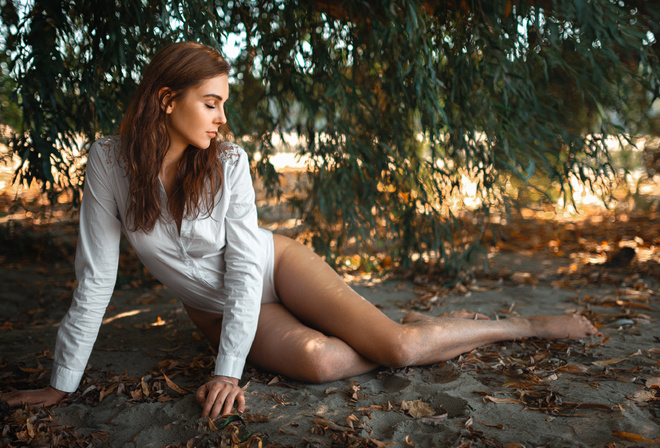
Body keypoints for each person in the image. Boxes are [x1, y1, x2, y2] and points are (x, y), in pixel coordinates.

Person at [2, 42, 602, 420]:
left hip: (273, 266)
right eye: (210, 103)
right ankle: (411, 332)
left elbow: (244, 267)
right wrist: (63, 383)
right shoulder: (108, 163)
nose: (222, 117)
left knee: (396, 350)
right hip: (213, 310)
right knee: (318, 362)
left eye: (222, 103)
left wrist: (227, 370)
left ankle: (517, 326)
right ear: (166, 100)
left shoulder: (229, 163)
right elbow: (95, 279)